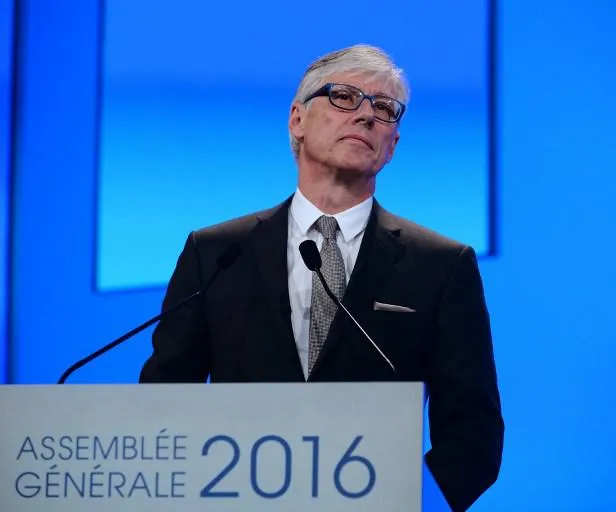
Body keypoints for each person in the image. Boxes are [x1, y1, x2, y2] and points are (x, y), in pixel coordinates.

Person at [139, 44, 504, 511]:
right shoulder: (216, 253)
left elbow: (474, 430)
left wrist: (411, 503)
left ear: (392, 145)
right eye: (346, 97)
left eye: (385, 108)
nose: (367, 116)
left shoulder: (441, 264)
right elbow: (164, 404)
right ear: (297, 120)